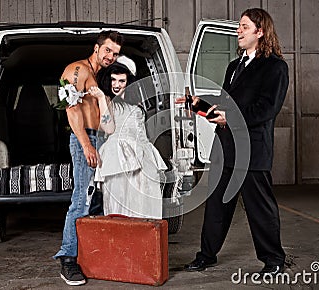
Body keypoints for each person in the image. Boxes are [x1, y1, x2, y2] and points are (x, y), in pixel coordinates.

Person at [183, 8, 289, 276]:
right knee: (216, 206)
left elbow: (266, 109)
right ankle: (206, 255)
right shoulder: (234, 66)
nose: (238, 31)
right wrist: (198, 105)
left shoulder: (275, 67)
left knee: (259, 209)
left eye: (244, 26)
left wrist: (229, 119)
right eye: (239, 26)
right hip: (226, 149)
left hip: (252, 152)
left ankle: (274, 259)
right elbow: (225, 107)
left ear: (260, 31)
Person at [53, 30, 123, 286]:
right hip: (86, 140)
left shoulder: (98, 77)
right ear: (96, 47)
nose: (110, 56)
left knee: (98, 201)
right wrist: (85, 145)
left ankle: (89, 256)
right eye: (107, 50)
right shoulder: (78, 69)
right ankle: (68, 259)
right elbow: (71, 111)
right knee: (81, 200)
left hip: (100, 140)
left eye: (115, 53)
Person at [89, 55, 167, 219]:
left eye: (121, 81)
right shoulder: (108, 101)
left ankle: (145, 242)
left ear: (128, 82)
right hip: (119, 157)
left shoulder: (135, 102)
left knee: (145, 203)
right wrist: (102, 98)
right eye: (113, 80)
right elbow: (108, 128)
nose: (116, 85)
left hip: (143, 157)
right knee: (121, 204)